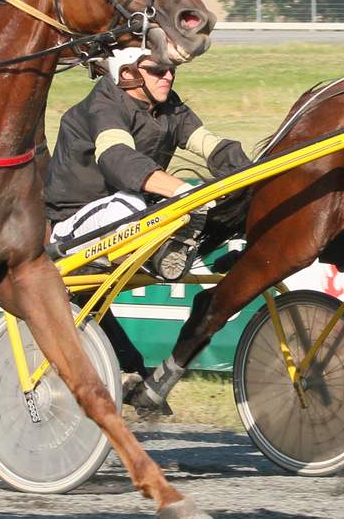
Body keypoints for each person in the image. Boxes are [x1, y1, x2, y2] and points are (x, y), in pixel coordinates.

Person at [44, 46, 250, 385]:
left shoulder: (170, 105)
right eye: (158, 70)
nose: (168, 76)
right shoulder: (106, 103)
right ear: (127, 73)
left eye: (171, 70)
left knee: (165, 206)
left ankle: (183, 249)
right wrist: (182, 190)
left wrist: (252, 173)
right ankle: (167, 251)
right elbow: (118, 158)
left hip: (128, 219)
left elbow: (210, 146)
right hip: (74, 228)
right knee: (133, 205)